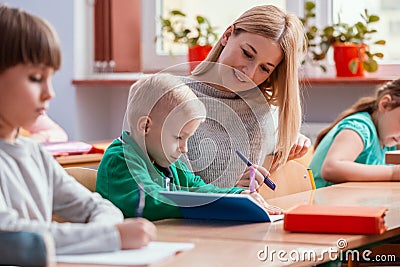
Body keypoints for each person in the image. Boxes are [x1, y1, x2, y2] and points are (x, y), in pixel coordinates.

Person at [0, 4, 156, 255]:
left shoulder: (35, 154)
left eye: (51, 78)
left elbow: (99, 208)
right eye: (36, 78)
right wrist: (110, 237)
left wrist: (105, 232)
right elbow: (11, 238)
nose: (49, 93)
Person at [96, 73, 282, 221]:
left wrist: (236, 196)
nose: (184, 148)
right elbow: (147, 201)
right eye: (178, 137)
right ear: (145, 127)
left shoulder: (166, 161)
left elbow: (196, 187)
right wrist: (215, 202)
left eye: (188, 138)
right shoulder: (120, 158)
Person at [181, 5, 310, 189]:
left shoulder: (262, 111)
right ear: (227, 35)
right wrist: (230, 192)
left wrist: (294, 138)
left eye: (264, 68)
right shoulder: (168, 92)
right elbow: (160, 188)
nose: (248, 74)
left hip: (245, 216)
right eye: (247, 54)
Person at [309, 79, 400, 188]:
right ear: (385, 105)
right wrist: (392, 173)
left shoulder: (389, 139)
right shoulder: (359, 128)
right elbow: (330, 168)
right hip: (321, 201)